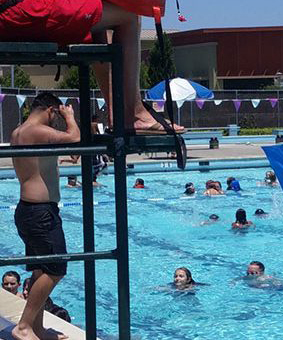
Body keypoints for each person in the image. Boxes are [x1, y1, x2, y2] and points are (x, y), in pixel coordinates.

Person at [0, 0, 185, 134]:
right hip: (21, 10)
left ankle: (118, 114)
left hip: (11, 12)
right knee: (130, 16)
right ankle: (135, 116)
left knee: (99, 15)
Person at [10, 92, 80, 340]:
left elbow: (72, 153)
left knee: (41, 270)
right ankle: (24, 325)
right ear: (51, 110)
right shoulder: (36, 130)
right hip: (40, 213)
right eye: (57, 114)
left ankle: (36, 327)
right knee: (56, 268)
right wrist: (70, 117)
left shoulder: (19, 132)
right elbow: (74, 137)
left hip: (29, 210)